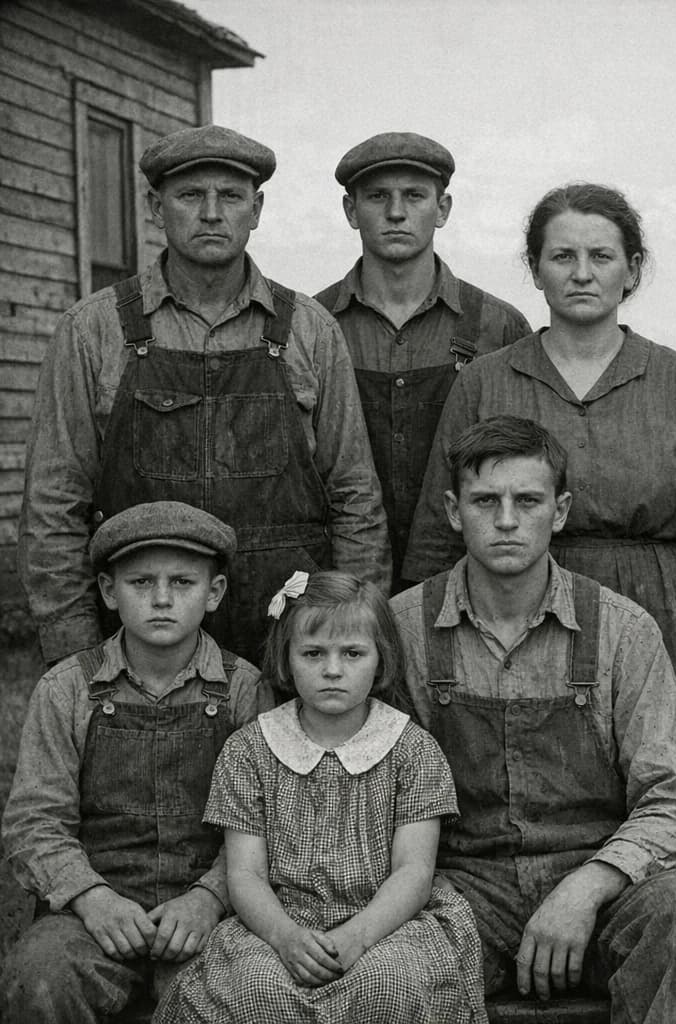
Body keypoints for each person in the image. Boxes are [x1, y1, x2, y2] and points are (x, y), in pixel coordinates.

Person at [391, 416, 676, 1023]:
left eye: (527, 501)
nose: (506, 520)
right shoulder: (402, 630)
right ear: (454, 511)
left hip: (605, 882)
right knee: (393, 969)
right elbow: (373, 796)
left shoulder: (622, 629)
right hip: (458, 888)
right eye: (486, 501)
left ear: (559, 512)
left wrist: (587, 886)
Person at [19, 123, 389, 669]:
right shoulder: (90, 331)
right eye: (191, 195)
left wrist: (345, 641)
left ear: (257, 209)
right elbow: (52, 508)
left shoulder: (309, 330)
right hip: (138, 655)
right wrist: (80, 658)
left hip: (287, 650)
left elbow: (356, 499)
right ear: (155, 206)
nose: (212, 213)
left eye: (231, 197)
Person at [403, 183, 676, 748]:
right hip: (514, 624)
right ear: (536, 268)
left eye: (602, 256)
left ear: (632, 268)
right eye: (563, 256)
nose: (582, 273)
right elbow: (434, 540)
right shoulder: (485, 381)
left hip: (664, 619)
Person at [154, 571, 486, 1024]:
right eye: (313, 654)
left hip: (385, 924)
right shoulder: (251, 749)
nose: (333, 670)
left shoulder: (410, 748)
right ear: (287, 661)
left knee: (391, 981)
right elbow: (247, 874)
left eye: (352, 653)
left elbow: (414, 871)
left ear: (381, 658)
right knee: (256, 984)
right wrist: (285, 936)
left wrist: (358, 937)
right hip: (279, 922)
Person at [0, 501, 271, 1024]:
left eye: (183, 583)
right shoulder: (67, 690)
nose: (162, 599)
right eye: (141, 583)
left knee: (250, 988)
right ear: (108, 590)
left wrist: (210, 898)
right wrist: (90, 896)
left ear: (213, 593)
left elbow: (269, 817)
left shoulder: (245, 691)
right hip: (93, 909)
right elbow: (35, 821)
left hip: (210, 908)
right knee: (37, 976)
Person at [314, 132, 530, 588]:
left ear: (443, 209)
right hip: (338, 580)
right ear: (351, 211)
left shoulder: (497, 325)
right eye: (377, 197)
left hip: (466, 580)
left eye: (414, 196)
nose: (396, 213)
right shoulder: (310, 326)